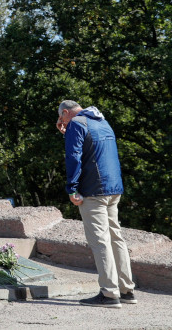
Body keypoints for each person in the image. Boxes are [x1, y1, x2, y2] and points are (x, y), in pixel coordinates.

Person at [56, 100, 137, 307]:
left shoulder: (77, 124)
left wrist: (72, 188)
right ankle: (126, 290)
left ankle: (109, 294)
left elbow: (73, 156)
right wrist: (68, 134)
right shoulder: (102, 121)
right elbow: (94, 148)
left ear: (66, 113)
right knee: (116, 237)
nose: (61, 121)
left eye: (61, 117)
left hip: (93, 190)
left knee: (100, 241)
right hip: (114, 188)